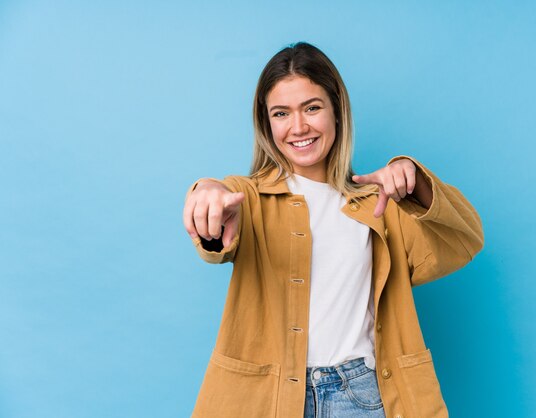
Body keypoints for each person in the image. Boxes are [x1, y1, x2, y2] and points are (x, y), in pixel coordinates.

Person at [182, 42, 484, 418]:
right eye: (281, 113)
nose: (298, 127)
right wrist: (206, 192)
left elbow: (466, 238)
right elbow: (216, 219)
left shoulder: (380, 205)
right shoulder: (247, 197)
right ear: (266, 124)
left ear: (337, 112)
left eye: (312, 108)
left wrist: (415, 181)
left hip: (361, 395)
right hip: (266, 400)